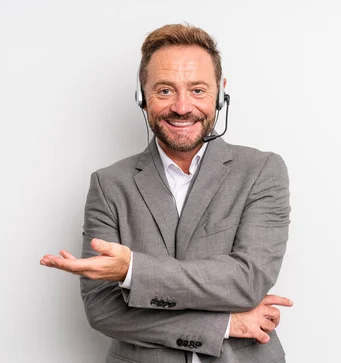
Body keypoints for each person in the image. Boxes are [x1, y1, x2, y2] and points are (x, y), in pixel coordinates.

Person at [40, 23, 292, 363]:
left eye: (198, 90)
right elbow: (103, 310)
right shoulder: (109, 184)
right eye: (165, 91)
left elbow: (247, 281)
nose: (182, 107)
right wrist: (224, 323)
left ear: (221, 93)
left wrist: (131, 272)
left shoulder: (262, 171)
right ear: (142, 96)